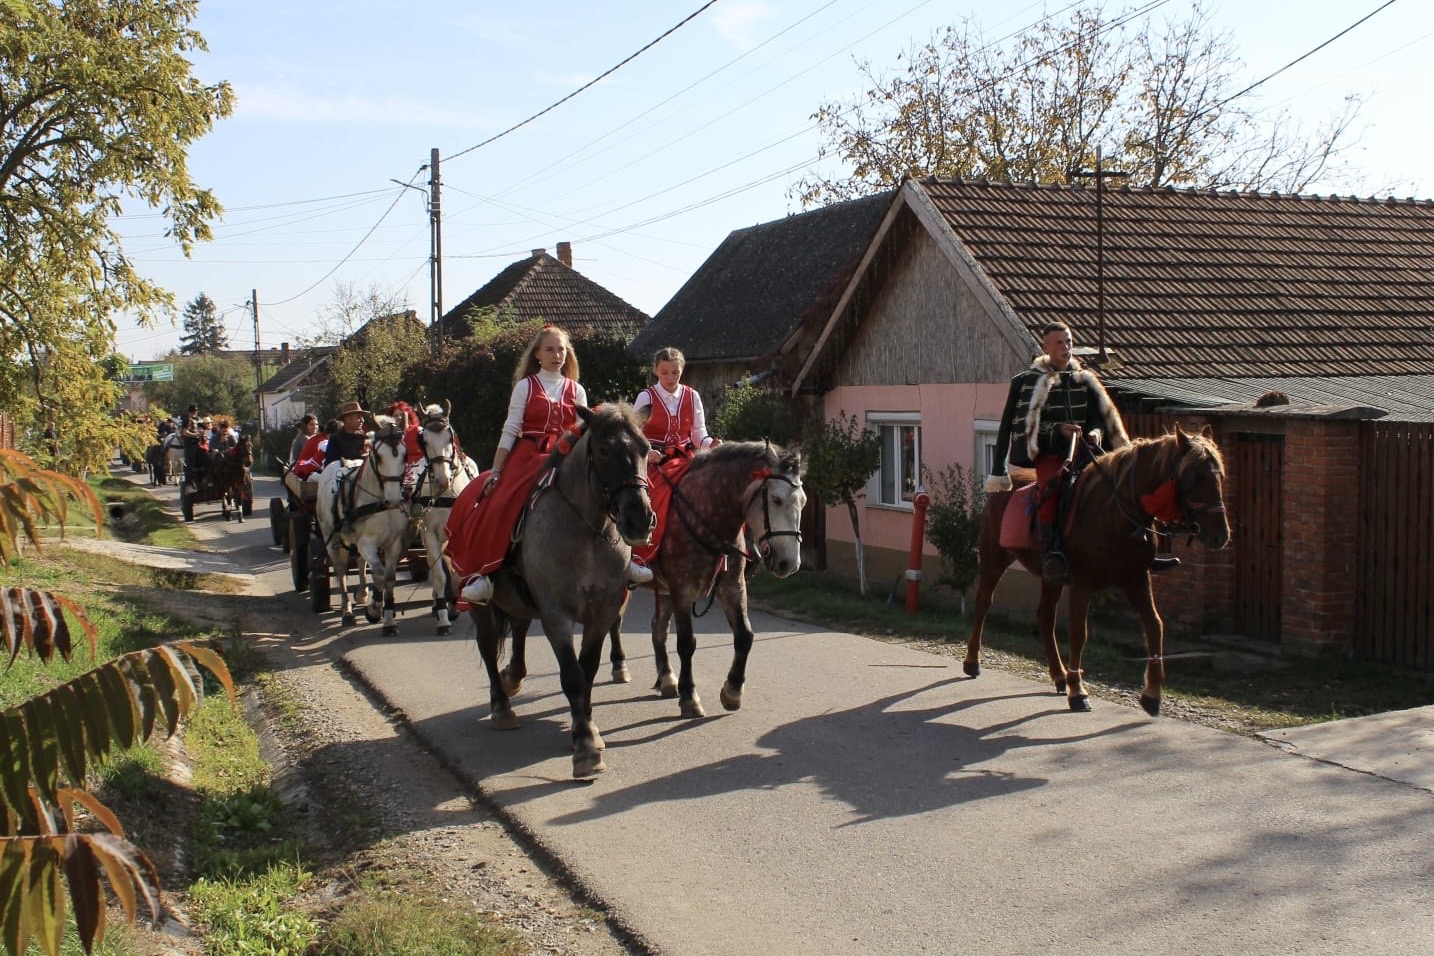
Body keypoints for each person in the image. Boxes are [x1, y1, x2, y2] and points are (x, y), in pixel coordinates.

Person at [445, 325, 651, 606]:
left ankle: (628, 559)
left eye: (561, 350)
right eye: (550, 349)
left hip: (568, 453)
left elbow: (582, 430)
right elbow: (511, 429)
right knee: (504, 500)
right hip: (529, 454)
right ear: (537, 354)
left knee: (610, 488)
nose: (556, 355)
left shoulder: (576, 389)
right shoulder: (526, 386)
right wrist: (497, 469)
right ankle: (485, 575)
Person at [986, 322, 1177, 582]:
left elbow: (1096, 418)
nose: (1066, 347)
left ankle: (1142, 550)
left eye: (1069, 342)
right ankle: (1052, 551)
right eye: (1059, 343)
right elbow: (1020, 425)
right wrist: (1059, 430)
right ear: (1046, 347)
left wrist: (1096, 432)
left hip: (1087, 450)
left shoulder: (1085, 379)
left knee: (1125, 483)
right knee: (1051, 490)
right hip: (1051, 453)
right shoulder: (1028, 381)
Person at [632, 346, 719, 463]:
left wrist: (711, 444)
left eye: (675, 372)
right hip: (653, 460)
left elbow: (698, 433)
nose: (670, 378)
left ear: (682, 370)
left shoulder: (693, 396)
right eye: (664, 372)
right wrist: (647, 452)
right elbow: (633, 433)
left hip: (684, 458)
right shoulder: (646, 397)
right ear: (655, 370)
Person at [324, 401, 370, 466]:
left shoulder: (364, 438)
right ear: (347, 419)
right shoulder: (335, 439)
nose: (362, 420)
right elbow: (331, 464)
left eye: (362, 417)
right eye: (359, 417)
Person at [179, 404, 202, 489]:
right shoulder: (187, 420)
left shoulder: (195, 420)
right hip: (190, 445)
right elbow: (185, 432)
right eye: (194, 411)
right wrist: (197, 435)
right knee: (190, 465)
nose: (196, 412)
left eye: (196, 411)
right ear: (191, 412)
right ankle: (189, 483)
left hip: (197, 444)